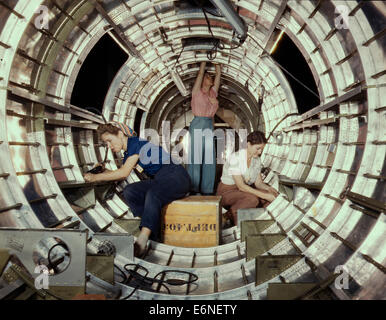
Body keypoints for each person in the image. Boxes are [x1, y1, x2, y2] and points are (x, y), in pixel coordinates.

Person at [83, 123, 191, 256]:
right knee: (130, 191)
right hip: (160, 178)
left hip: (176, 176)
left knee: (153, 193)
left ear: (121, 134)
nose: (109, 146)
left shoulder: (135, 143)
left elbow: (123, 173)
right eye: (106, 144)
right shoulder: (129, 153)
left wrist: (95, 177)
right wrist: (103, 171)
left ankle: (142, 240)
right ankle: (151, 226)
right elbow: (119, 172)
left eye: (109, 141)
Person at [216, 131, 279, 225]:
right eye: (258, 148)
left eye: (262, 149)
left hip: (243, 191)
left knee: (268, 198)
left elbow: (258, 183)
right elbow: (241, 186)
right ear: (248, 144)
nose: (260, 152)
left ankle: (259, 223)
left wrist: (270, 190)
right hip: (227, 192)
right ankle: (230, 217)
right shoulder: (235, 158)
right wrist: (265, 195)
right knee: (252, 200)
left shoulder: (256, 160)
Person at [187, 61, 221, 195]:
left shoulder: (213, 93)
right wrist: (203, 61)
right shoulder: (197, 92)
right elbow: (201, 73)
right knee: (195, 158)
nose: (210, 78)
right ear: (202, 81)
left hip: (208, 124)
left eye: (210, 77)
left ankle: (207, 190)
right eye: (208, 77)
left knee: (209, 158)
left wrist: (218, 61)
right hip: (197, 123)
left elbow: (218, 74)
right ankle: (193, 189)